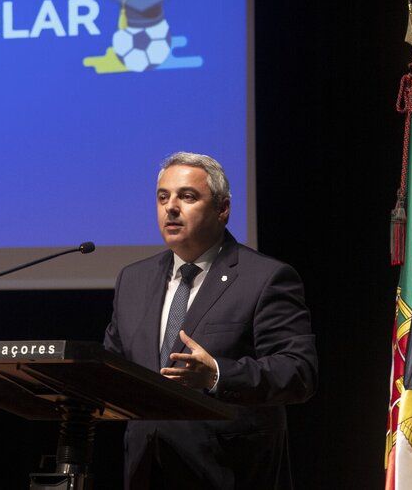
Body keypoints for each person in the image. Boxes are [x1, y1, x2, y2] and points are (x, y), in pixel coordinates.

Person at [102, 152, 317, 489]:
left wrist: (217, 374)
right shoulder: (133, 279)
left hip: (228, 472)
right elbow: (113, 366)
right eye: (163, 197)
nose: (171, 208)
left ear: (223, 209)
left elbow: (298, 372)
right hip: (145, 469)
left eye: (187, 196)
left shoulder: (266, 278)